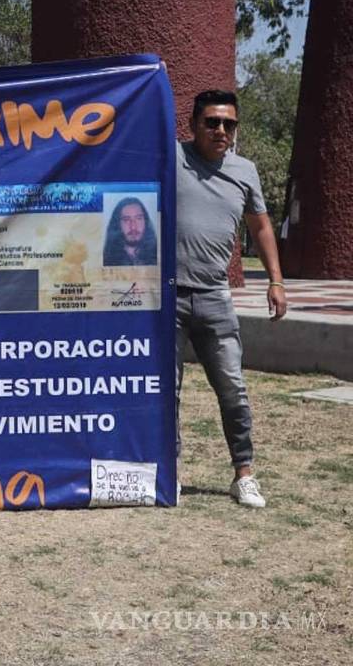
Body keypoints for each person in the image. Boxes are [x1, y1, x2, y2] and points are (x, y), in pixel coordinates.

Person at [176, 89, 287, 509]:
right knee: (168, 391)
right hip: (167, 299)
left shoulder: (245, 171)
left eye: (229, 124)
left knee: (233, 389)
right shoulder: (172, 158)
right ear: (193, 125)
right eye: (211, 122)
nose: (221, 130)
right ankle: (171, 471)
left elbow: (260, 228)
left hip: (214, 298)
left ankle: (244, 474)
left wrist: (276, 281)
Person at [103, 197, 158, 266]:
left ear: (146, 222)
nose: (133, 226)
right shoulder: (107, 260)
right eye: (126, 220)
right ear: (117, 224)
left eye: (138, 218)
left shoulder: (158, 255)